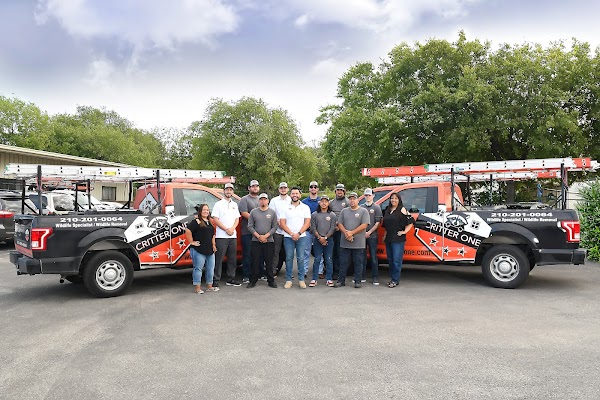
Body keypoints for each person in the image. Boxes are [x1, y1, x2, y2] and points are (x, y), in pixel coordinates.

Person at [334, 192, 370, 288]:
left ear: (358, 200)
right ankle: (341, 280)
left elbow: (364, 225)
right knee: (343, 262)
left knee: (358, 262)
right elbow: (340, 223)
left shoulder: (363, 211)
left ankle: (357, 281)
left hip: (358, 243)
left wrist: (352, 233)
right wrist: (346, 233)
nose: (352, 200)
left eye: (354, 198)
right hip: (345, 242)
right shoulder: (344, 211)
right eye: (350, 199)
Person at [279, 187, 311, 289]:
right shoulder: (285, 207)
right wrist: (292, 234)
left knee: (300, 258)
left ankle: (301, 280)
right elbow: (282, 223)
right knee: (289, 258)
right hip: (288, 237)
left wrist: (299, 233)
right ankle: (288, 280)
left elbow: (307, 223)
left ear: (300, 195)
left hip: (302, 237)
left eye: (297, 193)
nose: (295, 195)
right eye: (293, 193)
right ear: (290, 195)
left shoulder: (305, 207)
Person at [382, 192, 414, 288]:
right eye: (392, 198)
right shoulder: (388, 210)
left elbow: (411, 221)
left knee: (396, 260)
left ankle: (395, 280)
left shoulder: (402, 209)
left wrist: (404, 232)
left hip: (398, 239)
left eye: (396, 198)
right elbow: (386, 225)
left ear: (399, 200)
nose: (393, 200)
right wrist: (385, 235)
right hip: (389, 238)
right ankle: (392, 278)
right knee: (390, 260)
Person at [212, 183, 241, 287]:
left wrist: (232, 229)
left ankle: (231, 279)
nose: (229, 192)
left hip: (232, 236)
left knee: (232, 259)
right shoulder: (218, 204)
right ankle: (215, 280)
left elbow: (237, 219)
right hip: (221, 236)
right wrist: (226, 229)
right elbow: (215, 219)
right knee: (219, 259)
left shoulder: (235, 205)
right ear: (224, 191)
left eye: (230, 190)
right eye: (227, 190)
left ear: (233, 192)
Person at [185, 204, 219, 294]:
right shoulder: (196, 221)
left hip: (209, 249)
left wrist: (213, 245)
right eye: (204, 210)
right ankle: (197, 288)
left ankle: (209, 286)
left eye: (207, 210)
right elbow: (188, 230)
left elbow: (212, 235)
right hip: (198, 249)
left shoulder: (210, 222)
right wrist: (191, 242)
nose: (206, 211)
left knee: (210, 268)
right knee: (198, 268)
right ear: (200, 211)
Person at [247, 193, 278, 288]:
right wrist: (258, 236)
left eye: (265, 199)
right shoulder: (253, 212)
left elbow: (275, 227)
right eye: (261, 199)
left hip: (269, 241)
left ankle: (271, 280)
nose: (263, 201)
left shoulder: (272, 212)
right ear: (259, 201)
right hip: (256, 241)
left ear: (268, 201)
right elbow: (250, 226)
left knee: (269, 262)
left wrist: (266, 236)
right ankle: (253, 280)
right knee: (255, 261)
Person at [309, 195, 337, 287]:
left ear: (328, 203)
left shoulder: (332, 215)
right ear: (319, 203)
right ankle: (314, 278)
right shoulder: (314, 215)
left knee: (328, 259)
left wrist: (325, 238)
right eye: (322, 201)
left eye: (326, 201)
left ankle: (329, 279)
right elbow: (313, 228)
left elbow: (333, 228)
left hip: (329, 240)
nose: (324, 203)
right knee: (317, 259)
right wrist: (319, 237)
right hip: (317, 240)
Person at [239, 179, 261, 284]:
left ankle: (259, 273)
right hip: (247, 232)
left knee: (259, 254)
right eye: (253, 186)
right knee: (247, 254)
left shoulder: (261, 199)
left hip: (260, 232)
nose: (255, 188)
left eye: (256, 186)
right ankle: (246, 275)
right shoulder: (244, 199)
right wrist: (257, 220)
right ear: (249, 188)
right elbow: (243, 213)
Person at [361, 188, 383, 285]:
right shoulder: (361, 207)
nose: (368, 197)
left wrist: (369, 232)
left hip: (373, 236)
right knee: (362, 257)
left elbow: (378, 223)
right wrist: (363, 232)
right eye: (366, 195)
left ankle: (375, 277)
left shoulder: (377, 207)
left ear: (373, 196)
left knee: (373, 256)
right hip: (362, 236)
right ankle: (362, 276)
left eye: (369, 195)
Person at [269, 182, 291, 277]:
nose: (283, 189)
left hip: (288, 231)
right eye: (281, 188)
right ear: (279, 189)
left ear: (287, 189)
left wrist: (285, 225)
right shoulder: (274, 201)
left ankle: (289, 271)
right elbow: (272, 214)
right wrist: (280, 223)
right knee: (275, 251)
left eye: (285, 188)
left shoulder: (291, 200)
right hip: (277, 230)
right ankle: (273, 270)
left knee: (288, 252)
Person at [302, 180, 321, 278]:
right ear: (309, 189)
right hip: (307, 230)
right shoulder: (304, 202)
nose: (313, 188)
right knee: (306, 251)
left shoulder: (321, 201)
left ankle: (319, 271)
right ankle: (304, 271)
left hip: (319, 231)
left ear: (318, 189)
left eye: (315, 187)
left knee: (319, 252)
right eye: (311, 187)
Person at [329, 183, 349, 279]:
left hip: (344, 230)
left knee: (342, 252)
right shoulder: (331, 202)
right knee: (334, 251)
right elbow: (328, 215)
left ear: (344, 191)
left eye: (341, 190)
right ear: (335, 191)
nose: (339, 192)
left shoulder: (348, 202)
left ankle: (343, 271)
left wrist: (340, 226)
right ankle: (335, 271)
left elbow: (349, 216)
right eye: (338, 190)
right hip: (333, 230)